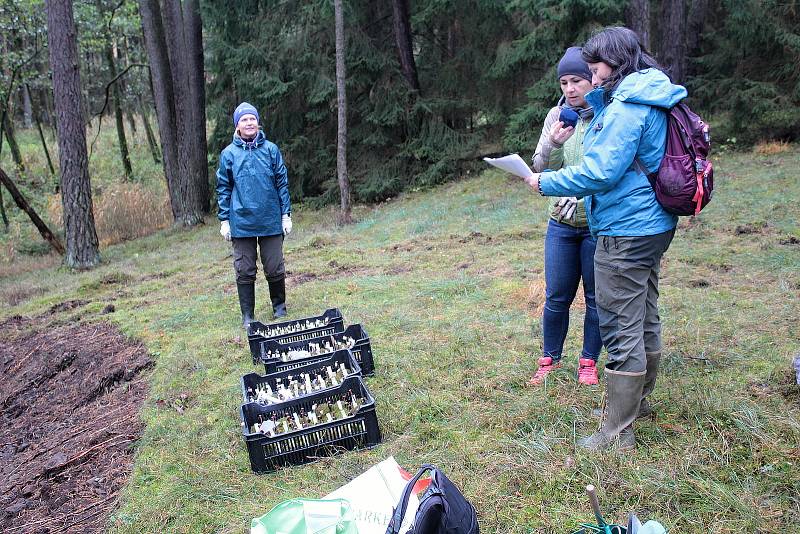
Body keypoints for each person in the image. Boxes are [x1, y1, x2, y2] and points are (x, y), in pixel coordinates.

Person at [524, 27, 686, 451]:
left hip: (626, 228)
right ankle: (639, 402)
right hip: (654, 222)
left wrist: (545, 182)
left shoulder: (628, 107)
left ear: (614, 65)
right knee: (645, 311)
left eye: (594, 71)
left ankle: (617, 432)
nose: (590, 81)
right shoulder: (652, 94)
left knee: (619, 321)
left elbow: (600, 171)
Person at [528, 47, 603, 387]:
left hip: (596, 224)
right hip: (561, 221)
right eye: (564, 82)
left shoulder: (606, 115)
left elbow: (603, 170)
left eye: (577, 81)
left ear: (592, 81)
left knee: (595, 297)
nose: (570, 89)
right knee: (557, 294)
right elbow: (541, 167)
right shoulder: (555, 116)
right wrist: (554, 144)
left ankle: (588, 361)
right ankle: (550, 359)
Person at [217, 102, 292, 328]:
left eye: (252, 119)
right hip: (241, 222)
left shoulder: (271, 150)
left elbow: (282, 183)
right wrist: (224, 220)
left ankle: (279, 307)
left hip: (270, 218)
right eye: (244, 120)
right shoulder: (228, 154)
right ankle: (247, 315)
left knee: (274, 266)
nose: (249, 123)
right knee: (244, 269)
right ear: (237, 126)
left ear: (257, 123)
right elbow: (223, 187)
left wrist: (285, 214)